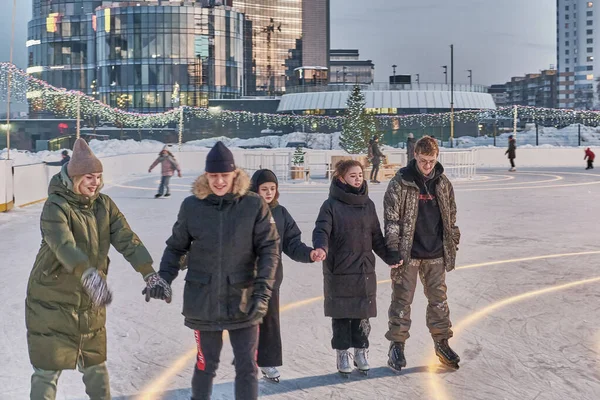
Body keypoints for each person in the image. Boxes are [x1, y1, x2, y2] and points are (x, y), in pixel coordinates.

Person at [25, 138, 170, 400]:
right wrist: (89, 275)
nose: (95, 182)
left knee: (96, 368)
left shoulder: (104, 205)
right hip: (51, 300)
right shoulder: (56, 206)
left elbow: (127, 238)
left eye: (98, 177)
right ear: (74, 177)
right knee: (47, 371)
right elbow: (63, 246)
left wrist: (149, 273)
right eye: (89, 177)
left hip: (89, 302)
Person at [150, 141, 280, 400]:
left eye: (224, 175)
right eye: (213, 176)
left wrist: (262, 293)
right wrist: (164, 277)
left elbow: (269, 250)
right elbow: (175, 248)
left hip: (244, 299)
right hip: (204, 299)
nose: (219, 181)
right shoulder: (192, 206)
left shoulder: (253, 205)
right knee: (204, 365)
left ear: (234, 174)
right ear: (206, 176)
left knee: (246, 367)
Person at [383, 135, 461, 372]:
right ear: (415, 156)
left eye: (432, 160)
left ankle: (442, 343)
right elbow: (391, 220)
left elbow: (451, 216)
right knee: (401, 301)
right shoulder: (400, 182)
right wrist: (394, 250)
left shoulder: (443, 183)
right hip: (408, 254)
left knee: (439, 301)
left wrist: (453, 240)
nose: (428, 165)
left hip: (436, 253)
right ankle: (397, 346)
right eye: (424, 160)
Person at [312, 160, 393, 376]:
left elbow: (376, 236)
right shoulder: (330, 205)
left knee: (361, 315)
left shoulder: (368, 205)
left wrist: (389, 257)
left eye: (360, 175)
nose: (357, 179)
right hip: (339, 270)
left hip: (363, 269)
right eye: (352, 175)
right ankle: (342, 353)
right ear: (341, 178)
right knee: (341, 316)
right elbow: (321, 230)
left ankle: (360, 351)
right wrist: (321, 247)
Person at [249, 169, 318, 382]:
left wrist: (309, 253)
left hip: (270, 279)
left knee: (269, 322)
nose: (269, 193)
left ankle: (267, 362)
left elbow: (292, 242)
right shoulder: (244, 212)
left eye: (272, 189)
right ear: (255, 189)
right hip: (245, 279)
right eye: (264, 189)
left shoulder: (280, 213)